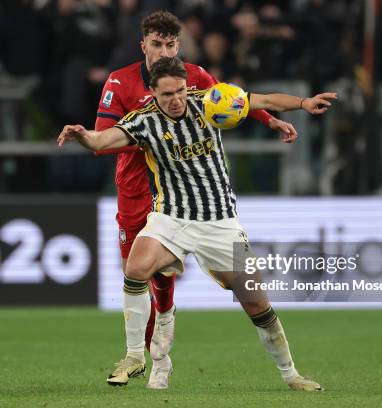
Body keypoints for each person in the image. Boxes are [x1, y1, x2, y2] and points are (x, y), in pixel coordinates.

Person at [58, 56, 337, 391]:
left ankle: (291, 375)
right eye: (165, 96)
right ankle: (134, 356)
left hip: (221, 222)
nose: (174, 100)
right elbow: (103, 141)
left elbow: (260, 100)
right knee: (136, 267)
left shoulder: (210, 103)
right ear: (153, 94)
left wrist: (303, 103)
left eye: (178, 92)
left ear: (187, 87)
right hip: (171, 218)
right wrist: (82, 135)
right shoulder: (142, 122)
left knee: (255, 300)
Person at [92, 10, 295, 389]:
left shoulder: (193, 77)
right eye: (156, 44)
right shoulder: (119, 81)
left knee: (248, 291)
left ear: (178, 46)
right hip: (137, 188)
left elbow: (235, 102)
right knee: (144, 276)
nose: (163, 51)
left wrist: (272, 121)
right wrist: (145, 125)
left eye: (170, 44)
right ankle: (154, 358)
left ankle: (289, 372)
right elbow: (104, 138)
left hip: (192, 198)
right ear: (144, 46)